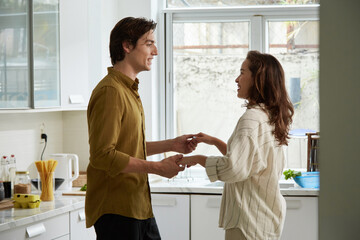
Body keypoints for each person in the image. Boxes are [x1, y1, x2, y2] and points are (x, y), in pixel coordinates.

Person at [86, 17, 197, 240]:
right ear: (126, 46)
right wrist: (157, 168)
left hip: (137, 206)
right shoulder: (111, 91)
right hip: (117, 210)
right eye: (148, 44)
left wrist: (171, 144)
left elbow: (127, 146)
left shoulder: (128, 90)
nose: (155, 51)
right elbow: (102, 155)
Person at [178, 51, 294, 240]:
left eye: (242, 72)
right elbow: (249, 162)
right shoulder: (270, 117)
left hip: (247, 222)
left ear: (257, 78)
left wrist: (198, 159)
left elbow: (233, 168)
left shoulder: (251, 119)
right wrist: (215, 141)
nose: (236, 79)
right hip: (265, 218)